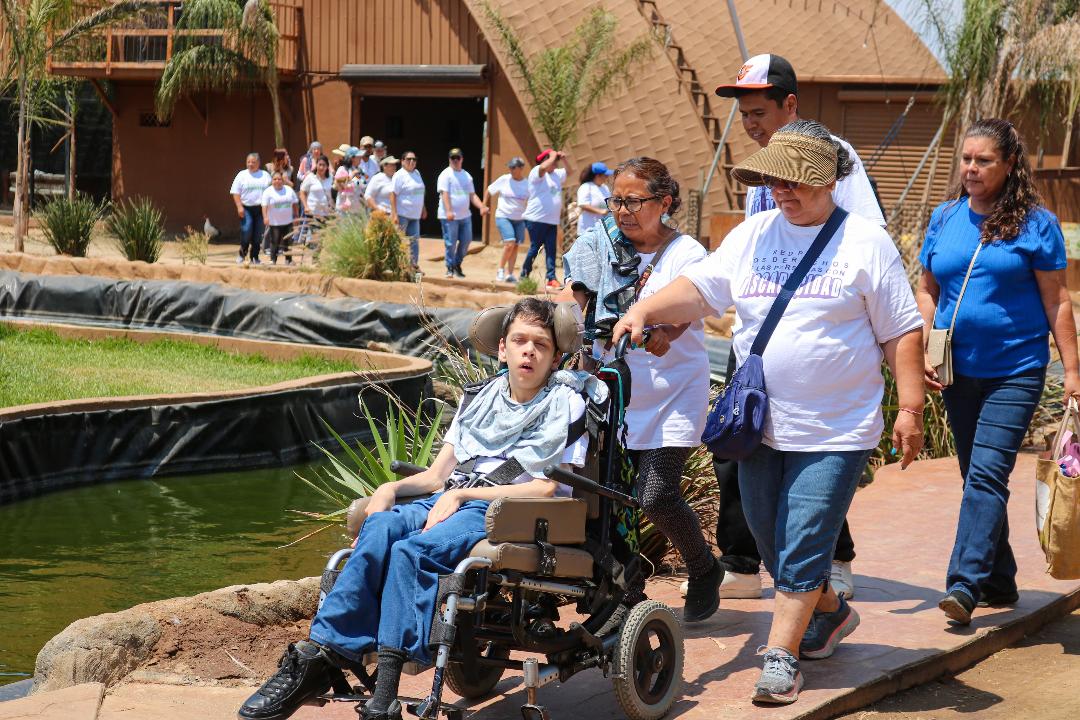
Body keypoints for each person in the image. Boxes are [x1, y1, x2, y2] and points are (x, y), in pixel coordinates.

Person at [612, 121, 925, 704]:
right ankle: (828, 613)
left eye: (795, 182)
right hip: (758, 422)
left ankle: (780, 656)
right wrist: (645, 309)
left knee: (805, 538)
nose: (782, 191)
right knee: (765, 534)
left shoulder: (865, 243)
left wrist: (909, 406)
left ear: (828, 181)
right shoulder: (754, 234)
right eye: (775, 180)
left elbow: (900, 331)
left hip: (837, 426)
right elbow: (702, 289)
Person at [237, 298, 591, 720]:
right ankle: (320, 655)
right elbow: (437, 475)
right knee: (381, 527)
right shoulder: (478, 399)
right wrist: (390, 487)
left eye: (541, 344)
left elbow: (547, 485)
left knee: (411, 553)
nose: (529, 350)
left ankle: (384, 694)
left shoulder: (565, 403)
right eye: (520, 341)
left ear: (555, 356)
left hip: (504, 511)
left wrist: (462, 497)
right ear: (502, 348)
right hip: (450, 497)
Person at [710, 52, 886, 600]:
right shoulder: (760, 173)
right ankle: (743, 561)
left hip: (824, 332)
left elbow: (867, 243)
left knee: (818, 458)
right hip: (761, 335)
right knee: (740, 441)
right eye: (745, 114)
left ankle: (832, 560)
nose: (752, 123)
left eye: (760, 110)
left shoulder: (835, 159)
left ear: (790, 104)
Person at [916, 118, 1080, 626]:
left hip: (1017, 369)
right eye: (966, 159)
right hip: (956, 372)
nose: (971, 168)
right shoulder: (945, 218)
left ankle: (964, 585)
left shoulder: (1037, 224)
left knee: (986, 474)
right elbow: (927, 289)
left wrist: (1072, 372)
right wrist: (923, 344)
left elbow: (1057, 300)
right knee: (977, 477)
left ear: (1010, 165)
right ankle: (1000, 578)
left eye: (983, 160)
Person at [561, 157, 723, 624]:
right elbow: (581, 305)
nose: (623, 212)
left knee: (655, 494)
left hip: (672, 389)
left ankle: (703, 567)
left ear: (665, 202)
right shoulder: (597, 244)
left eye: (634, 201)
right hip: (611, 392)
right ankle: (627, 596)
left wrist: (660, 331)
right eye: (616, 201)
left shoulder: (686, 253)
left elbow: (687, 309)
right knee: (607, 496)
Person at [437, 147, 488, 278]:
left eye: (457, 158)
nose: (455, 160)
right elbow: (445, 194)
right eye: (452, 158)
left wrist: (481, 206)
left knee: (467, 240)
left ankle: (457, 264)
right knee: (451, 243)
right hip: (449, 217)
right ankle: (449, 267)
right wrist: (449, 211)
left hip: (465, 216)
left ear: (462, 159)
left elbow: (472, 195)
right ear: (449, 159)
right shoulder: (445, 175)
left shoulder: (467, 176)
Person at [522, 149, 568, 289]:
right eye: (552, 160)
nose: (555, 163)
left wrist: (563, 159)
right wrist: (553, 156)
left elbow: (570, 172)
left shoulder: (556, 174)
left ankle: (551, 278)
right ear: (545, 160)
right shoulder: (537, 172)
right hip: (536, 219)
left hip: (551, 220)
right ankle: (524, 275)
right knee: (535, 248)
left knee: (551, 249)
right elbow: (542, 167)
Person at [484, 156, 530, 283]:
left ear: (521, 168)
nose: (511, 169)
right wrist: (483, 205)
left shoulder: (527, 184)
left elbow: (532, 199)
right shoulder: (504, 179)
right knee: (510, 243)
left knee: (515, 246)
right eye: (510, 167)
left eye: (513, 167)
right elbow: (489, 190)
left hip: (519, 219)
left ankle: (510, 274)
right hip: (503, 216)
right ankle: (500, 270)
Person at [230, 152, 272, 265]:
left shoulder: (265, 176)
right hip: (246, 208)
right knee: (246, 230)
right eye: (248, 162)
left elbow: (270, 192)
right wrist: (239, 206)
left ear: (258, 163)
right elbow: (235, 192)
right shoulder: (241, 175)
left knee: (258, 234)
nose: (250, 164)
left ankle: (255, 257)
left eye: (253, 162)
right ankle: (242, 254)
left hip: (260, 209)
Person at [390, 151, 426, 272]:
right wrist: (394, 214)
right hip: (402, 214)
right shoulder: (399, 175)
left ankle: (414, 266)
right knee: (399, 242)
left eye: (414, 159)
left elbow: (419, 192)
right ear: (402, 161)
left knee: (414, 241)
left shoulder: (417, 173)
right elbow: (393, 194)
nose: (412, 162)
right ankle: (396, 266)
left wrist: (423, 208)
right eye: (409, 159)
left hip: (415, 215)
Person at [260, 171, 299, 265]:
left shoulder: (289, 190)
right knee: (274, 242)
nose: (277, 181)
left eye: (279, 179)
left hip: (288, 221)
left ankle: (288, 260)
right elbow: (264, 206)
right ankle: (273, 260)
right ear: (272, 181)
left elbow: (294, 204)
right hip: (274, 222)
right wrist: (265, 217)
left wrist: (296, 216)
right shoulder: (268, 191)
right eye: (275, 179)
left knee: (288, 242)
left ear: (283, 180)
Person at [299, 155, 333, 240]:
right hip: (313, 213)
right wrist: (306, 206)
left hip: (327, 213)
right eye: (319, 164)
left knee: (324, 239)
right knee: (314, 239)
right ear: (316, 165)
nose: (321, 167)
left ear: (327, 167)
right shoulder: (310, 177)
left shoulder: (331, 178)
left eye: (324, 165)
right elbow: (302, 192)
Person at [576, 162, 613, 236]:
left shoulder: (604, 187)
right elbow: (582, 204)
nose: (607, 177)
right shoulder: (586, 187)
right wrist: (600, 211)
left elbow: (609, 202)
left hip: (601, 230)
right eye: (605, 175)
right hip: (587, 230)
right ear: (598, 176)